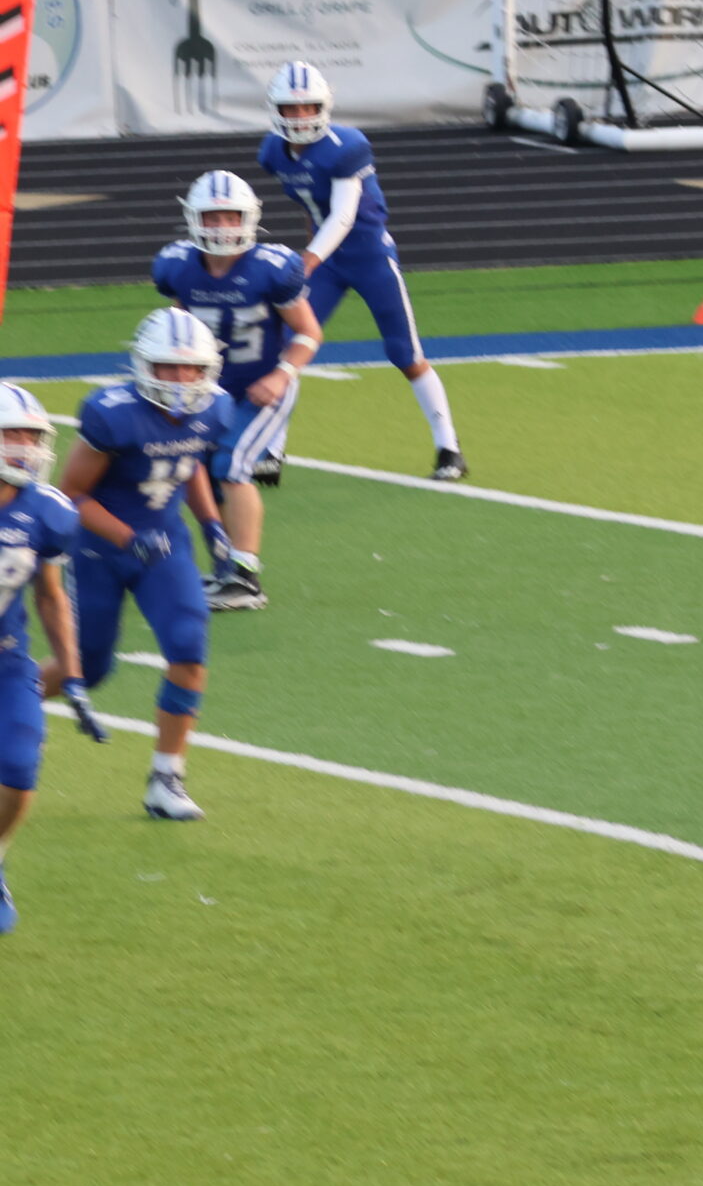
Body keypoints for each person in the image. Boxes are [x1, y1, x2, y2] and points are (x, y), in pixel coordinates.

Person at [56, 309, 234, 821]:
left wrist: (210, 523)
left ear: (207, 369)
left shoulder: (216, 408)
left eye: (190, 368)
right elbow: (71, 495)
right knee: (87, 667)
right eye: (167, 367)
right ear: (142, 366)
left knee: (189, 646)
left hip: (165, 543)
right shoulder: (112, 414)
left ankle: (166, 777)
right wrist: (128, 538)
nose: (180, 379)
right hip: (100, 548)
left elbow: (188, 460)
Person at [255, 61, 467, 480]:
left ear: (324, 106)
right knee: (289, 348)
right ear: (275, 110)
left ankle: (449, 448)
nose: (300, 116)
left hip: (369, 256)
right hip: (327, 261)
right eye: (291, 108)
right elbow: (310, 208)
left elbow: (342, 216)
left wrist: (307, 260)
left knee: (405, 353)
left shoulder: (347, 145)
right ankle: (271, 450)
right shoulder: (273, 152)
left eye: (308, 107)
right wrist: (313, 255)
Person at [152, 170, 323, 612]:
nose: (222, 227)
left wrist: (282, 374)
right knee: (202, 475)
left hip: (261, 387)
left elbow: (308, 332)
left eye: (231, 217)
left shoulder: (271, 269)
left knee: (232, 466)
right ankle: (228, 566)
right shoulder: (178, 266)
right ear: (194, 219)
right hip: (207, 392)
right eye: (213, 217)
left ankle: (246, 577)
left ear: (249, 219)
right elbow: (181, 323)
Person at [0, 383, 108, 932]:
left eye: (32, 436)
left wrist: (73, 673)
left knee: (19, 772)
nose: (26, 447)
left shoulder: (47, 511)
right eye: (13, 435)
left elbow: (49, 595)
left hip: (7, 661)